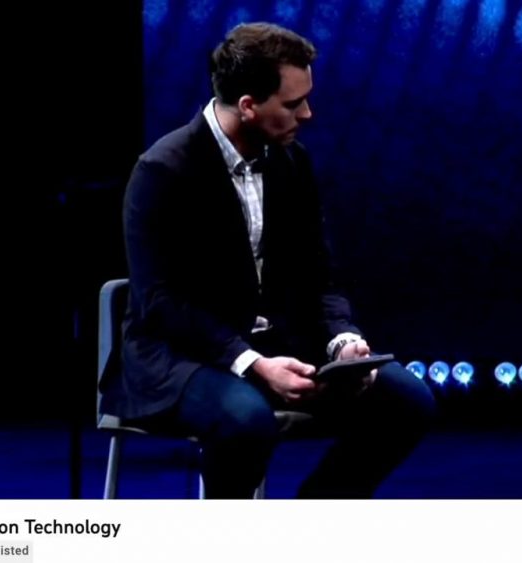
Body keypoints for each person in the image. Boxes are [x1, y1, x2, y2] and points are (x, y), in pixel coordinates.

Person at [100, 22, 436, 499]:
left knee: (408, 400)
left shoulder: (290, 161)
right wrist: (252, 363)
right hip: (180, 355)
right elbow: (160, 302)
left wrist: (343, 340)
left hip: (273, 343)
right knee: (246, 421)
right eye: (293, 104)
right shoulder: (163, 170)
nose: (308, 113)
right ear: (248, 106)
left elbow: (318, 275)